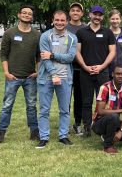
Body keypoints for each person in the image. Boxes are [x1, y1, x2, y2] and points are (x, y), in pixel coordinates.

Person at [0, 5, 40, 147]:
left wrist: (38, 71)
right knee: (7, 106)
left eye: (29, 13)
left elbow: (39, 56)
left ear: (32, 17)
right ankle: (0, 133)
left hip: (30, 78)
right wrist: (6, 73)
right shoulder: (9, 33)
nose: (26, 15)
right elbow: (3, 54)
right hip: (13, 78)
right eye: (24, 13)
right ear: (19, 15)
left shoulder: (37, 35)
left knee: (31, 106)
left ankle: (34, 132)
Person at [36, 10, 77, 148]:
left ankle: (63, 136)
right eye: (57, 20)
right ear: (53, 20)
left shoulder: (72, 38)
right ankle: (44, 137)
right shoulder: (45, 36)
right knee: (44, 110)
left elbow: (70, 57)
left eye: (62, 20)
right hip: (46, 78)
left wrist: (52, 55)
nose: (59, 23)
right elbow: (44, 58)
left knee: (65, 109)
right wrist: (54, 74)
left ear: (66, 21)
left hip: (65, 78)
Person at [75, 5, 116, 137]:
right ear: (90, 15)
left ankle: (100, 126)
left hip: (102, 72)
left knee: (102, 102)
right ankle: (87, 127)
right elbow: (77, 52)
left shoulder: (107, 33)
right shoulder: (81, 32)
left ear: (102, 17)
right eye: (95, 14)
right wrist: (85, 67)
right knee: (86, 101)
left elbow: (112, 52)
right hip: (85, 72)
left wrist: (101, 66)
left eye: (100, 15)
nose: (97, 17)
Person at [92, 65, 122, 154]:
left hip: (115, 121)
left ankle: (108, 137)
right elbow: (100, 111)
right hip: (100, 122)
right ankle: (108, 146)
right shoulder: (105, 88)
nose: (120, 76)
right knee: (113, 116)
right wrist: (120, 110)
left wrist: (120, 131)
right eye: (117, 73)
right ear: (113, 74)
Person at [66, 2, 87, 136]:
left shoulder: (86, 28)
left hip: (80, 69)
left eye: (78, 11)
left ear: (82, 14)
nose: (75, 12)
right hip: (66, 68)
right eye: (73, 10)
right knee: (65, 98)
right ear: (70, 13)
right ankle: (65, 124)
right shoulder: (64, 27)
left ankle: (78, 123)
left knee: (80, 98)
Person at [108, 9, 122, 77]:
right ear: (109, 20)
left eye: (117, 19)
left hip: (121, 68)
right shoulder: (106, 33)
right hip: (108, 68)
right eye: (113, 19)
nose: (115, 21)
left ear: (120, 20)